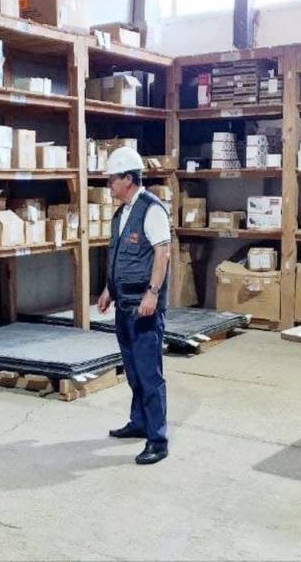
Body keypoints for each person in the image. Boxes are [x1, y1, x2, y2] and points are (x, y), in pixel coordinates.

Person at [97, 147, 171, 465]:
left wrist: (152, 293)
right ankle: (139, 422)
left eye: (112, 180)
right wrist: (108, 290)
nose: (109, 186)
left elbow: (162, 254)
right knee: (133, 371)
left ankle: (158, 439)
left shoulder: (151, 210)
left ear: (128, 179)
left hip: (143, 306)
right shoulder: (120, 214)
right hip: (123, 304)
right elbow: (118, 257)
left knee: (149, 374)